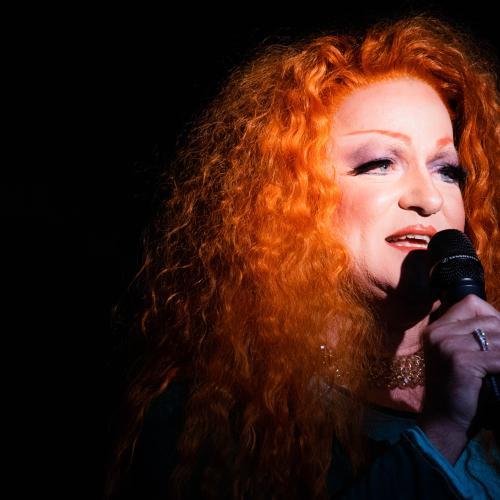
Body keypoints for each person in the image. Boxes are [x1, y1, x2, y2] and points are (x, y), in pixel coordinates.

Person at [104, 13, 500, 499]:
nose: (429, 198)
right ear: (293, 201)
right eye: (379, 164)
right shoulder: (218, 417)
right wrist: (441, 431)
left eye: (447, 170)